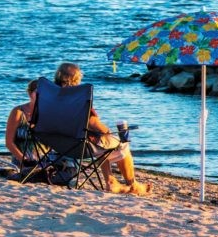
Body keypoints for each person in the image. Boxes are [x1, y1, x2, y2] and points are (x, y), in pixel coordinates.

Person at [53, 62, 152, 195]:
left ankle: (110, 180)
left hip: (55, 141)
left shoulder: (50, 95)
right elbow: (93, 123)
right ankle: (132, 185)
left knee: (100, 141)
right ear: (76, 79)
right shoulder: (77, 97)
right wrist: (107, 131)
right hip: (78, 145)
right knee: (121, 142)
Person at [4, 79, 38, 166]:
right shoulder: (18, 112)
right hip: (22, 161)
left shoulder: (49, 113)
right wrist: (24, 160)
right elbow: (9, 143)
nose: (42, 96)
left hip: (46, 161)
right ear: (30, 94)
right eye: (37, 93)